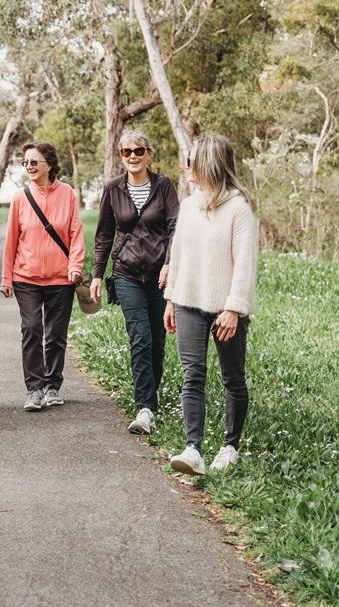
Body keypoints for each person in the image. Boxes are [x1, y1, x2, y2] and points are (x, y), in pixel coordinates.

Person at [162, 135, 258, 475]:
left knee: (232, 378)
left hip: (224, 310)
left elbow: (245, 264)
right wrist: (171, 298)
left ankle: (230, 446)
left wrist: (233, 308)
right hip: (188, 303)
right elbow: (178, 255)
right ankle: (193, 450)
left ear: (210, 165)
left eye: (191, 162)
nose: (186, 168)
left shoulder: (238, 210)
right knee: (192, 376)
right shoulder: (188, 206)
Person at [90, 131, 180, 435]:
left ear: (148, 153)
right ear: (121, 155)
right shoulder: (113, 189)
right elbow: (103, 234)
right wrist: (97, 275)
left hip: (159, 276)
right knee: (139, 338)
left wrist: (170, 262)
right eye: (126, 151)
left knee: (157, 341)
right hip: (126, 274)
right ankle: (145, 407)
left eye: (138, 150)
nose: (132, 156)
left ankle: (150, 398)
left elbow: (174, 228)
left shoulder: (163, 185)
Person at [0, 141, 86, 412]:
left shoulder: (68, 194)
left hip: (61, 278)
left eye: (34, 162)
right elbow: (12, 239)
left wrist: (75, 266)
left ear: (49, 164)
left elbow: (75, 234)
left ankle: (52, 386)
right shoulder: (20, 198)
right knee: (32, 328)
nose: (29, 167)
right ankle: (34, 388)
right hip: (26, 277)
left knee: (56, 333)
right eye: (25, 162)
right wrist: (6, 278)